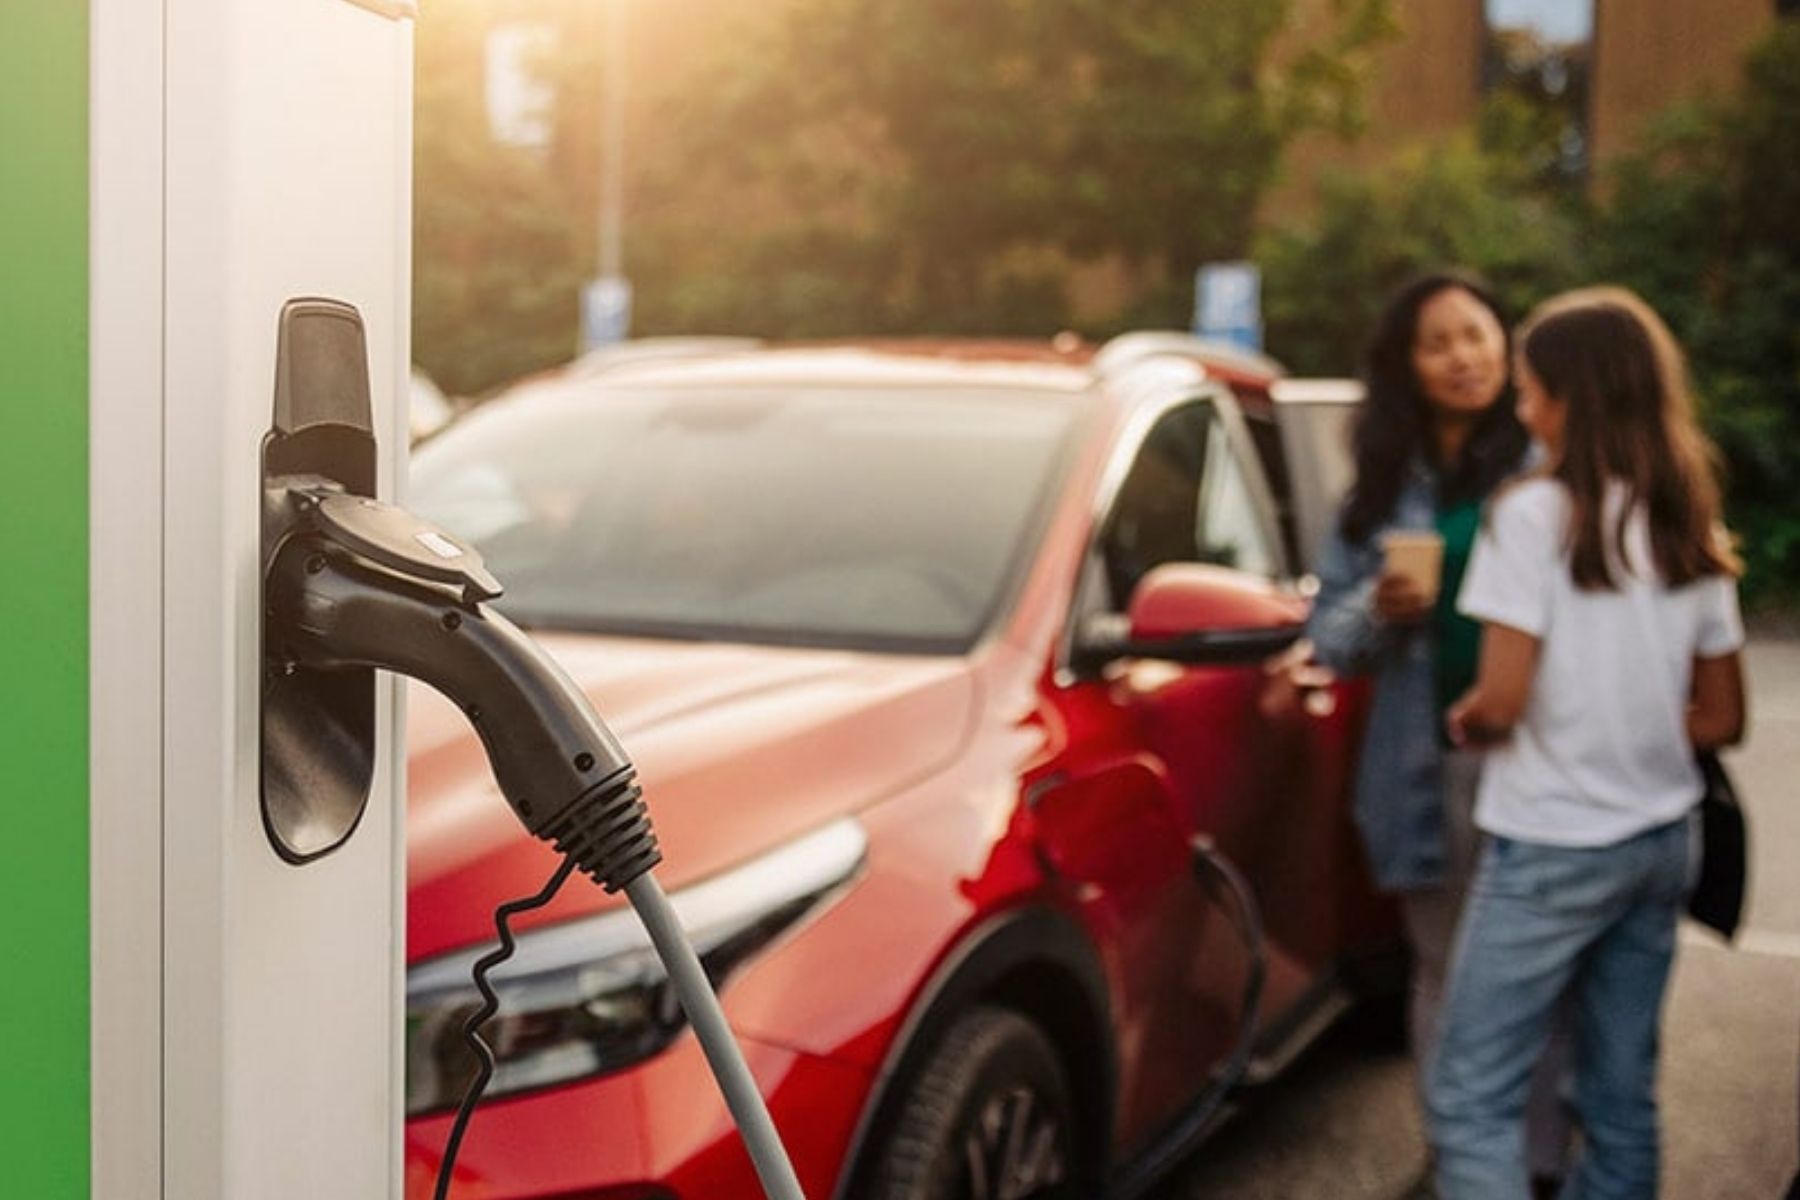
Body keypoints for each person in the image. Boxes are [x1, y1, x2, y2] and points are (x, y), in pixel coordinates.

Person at [1427, 286, 1748, 1198]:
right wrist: (1628, 722)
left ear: (1572, 398)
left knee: (1470, 1094)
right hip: (1661, 842)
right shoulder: (1687, 516)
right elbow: (1721, 718)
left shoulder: (1529, 516)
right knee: (1618, 1098)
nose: (1522, 410)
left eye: (1531, 393)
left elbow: (1502, 698)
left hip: (1553, 843)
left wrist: (1467, 717)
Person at [1308, 271, 1571, 1191]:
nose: (1465, 357)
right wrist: (1382, 610)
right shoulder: (1380, 489)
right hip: (1430, 763)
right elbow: (1328, 641)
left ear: (1509, 345)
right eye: (1439, 343)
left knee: (1540, 970)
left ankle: (1539, 1159)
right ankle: (1460, 1152)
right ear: (1406, 367)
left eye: (1479, 334)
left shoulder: (1549, 463)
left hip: (1540, 752)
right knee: (1446, 966)